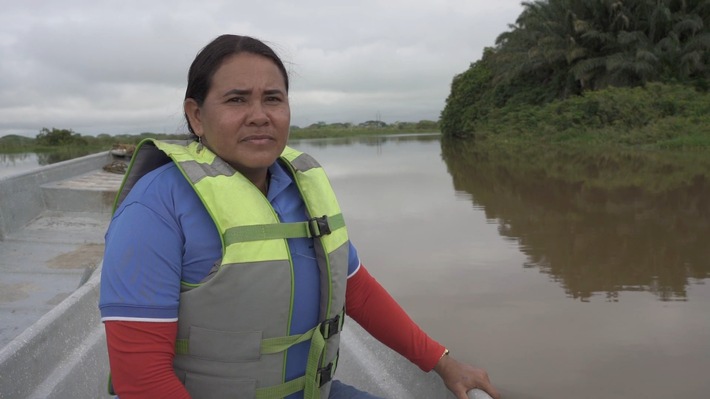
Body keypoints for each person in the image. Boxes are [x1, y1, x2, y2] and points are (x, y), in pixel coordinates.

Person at [99, 34, 500, 399]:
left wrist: (443, 362)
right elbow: (141, 379)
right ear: (197, 116)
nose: (259, 115)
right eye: (237, 99)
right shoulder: (155, 208)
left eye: (273, 99)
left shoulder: (301, 188)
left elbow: (356, 290)